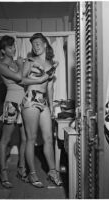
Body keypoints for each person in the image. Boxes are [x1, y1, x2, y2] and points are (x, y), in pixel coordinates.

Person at [0, 35, 49, 188]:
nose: (13, 49)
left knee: (25, 139)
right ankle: (4, 172)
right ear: (3, 50)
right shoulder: (1, 65)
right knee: (5, 140)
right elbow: (20, 77)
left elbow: (27, 78)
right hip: (12, 102)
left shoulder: (16, 62)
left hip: (24, 102)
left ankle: (21, 169)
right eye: (9, 47)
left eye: (14, 46)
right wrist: (21, 64)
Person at [21, 33, 63, 188]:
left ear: (45, 44)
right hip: (31, 99)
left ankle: (53, 171)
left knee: (49, 139)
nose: (35, 46)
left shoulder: (51, 63)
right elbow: (22, 79)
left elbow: (50, 87)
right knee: (31, 138)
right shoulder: (30, 61)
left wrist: (52, 107)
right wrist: (38, 79)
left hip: (43, 101)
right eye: (33, 44)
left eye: (38, 43)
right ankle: (32, 173)